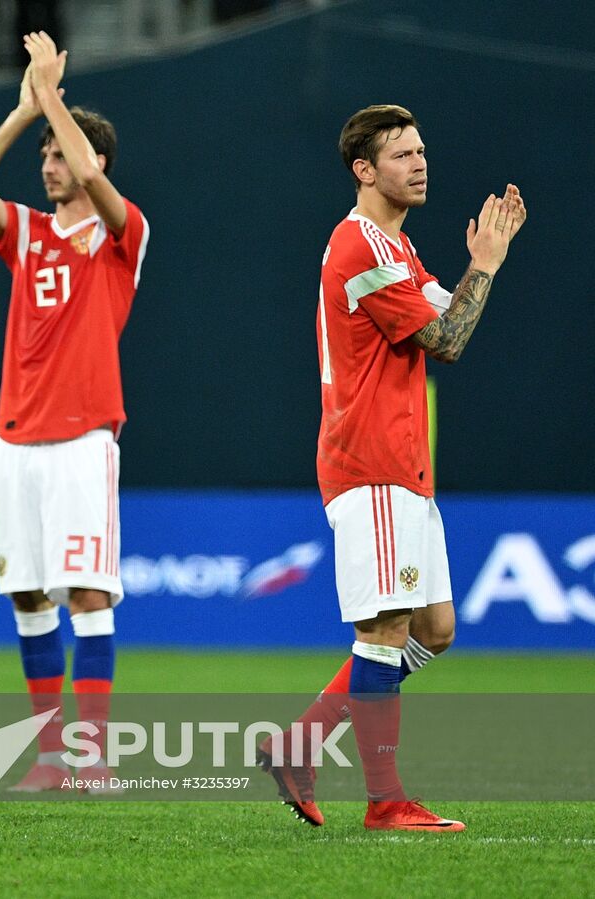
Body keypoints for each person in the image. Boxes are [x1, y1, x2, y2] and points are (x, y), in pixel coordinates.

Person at [261, 104, 524, 831]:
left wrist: (482, 266)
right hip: (370, 461)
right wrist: (485, 266)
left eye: (422, 150)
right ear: (364, 169)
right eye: (403, 153)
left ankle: (299, 746)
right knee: (382, 632)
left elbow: (444, 307)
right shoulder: (360, 246)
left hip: (404, 466)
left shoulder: (397, 249)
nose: (420, 163)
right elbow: (447, 340)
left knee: (432, 629)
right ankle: (384, 800)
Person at [0, 32, 148, 792]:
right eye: (45, 156)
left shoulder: (122, 235)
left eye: (58, 155)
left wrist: (54, 98)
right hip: (13, 439)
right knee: (27, 595)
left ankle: (93, 756)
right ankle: (51, 758)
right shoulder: (27, 232)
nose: (49, 164)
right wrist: (24, 111)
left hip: (82, 439)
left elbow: (92, 173)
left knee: (88, 593)